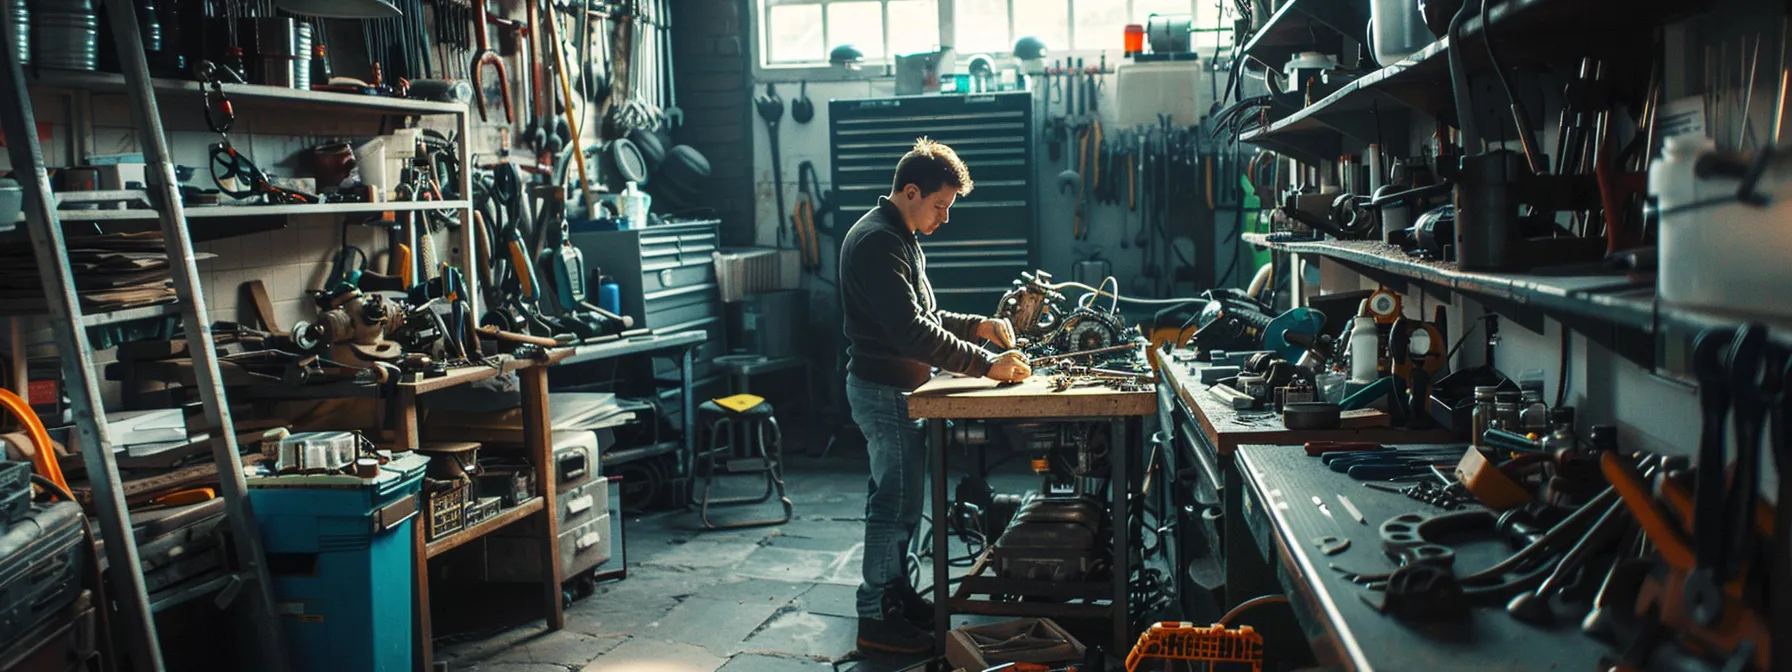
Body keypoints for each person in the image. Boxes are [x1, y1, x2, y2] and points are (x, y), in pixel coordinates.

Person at [839, 137, 1032, 654]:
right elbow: (910, 334)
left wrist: (981, 326)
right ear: (911, 191)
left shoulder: (898, 236)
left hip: (897, 390)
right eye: (940, 206)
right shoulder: (879, 242)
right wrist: (987, 365)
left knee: (901, 503)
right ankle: (875, 618)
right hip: (886, 392)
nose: (944, 219)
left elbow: (926, 317)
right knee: (893, 506)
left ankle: (896, 596)